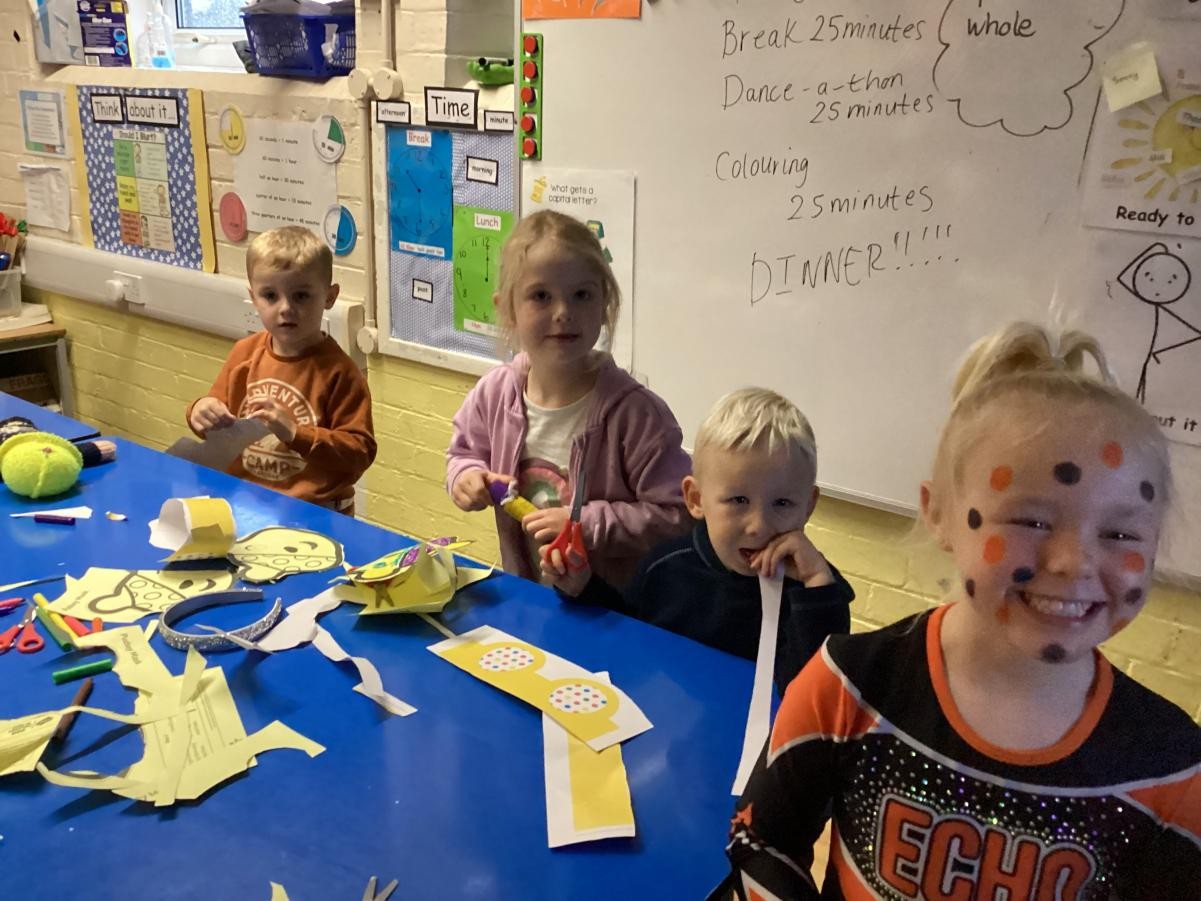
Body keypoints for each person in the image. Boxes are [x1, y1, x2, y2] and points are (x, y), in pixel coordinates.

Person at [725, 323, 1201, 899]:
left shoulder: (1171, 767)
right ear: (939, 514)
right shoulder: (849, 687)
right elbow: (762, 842)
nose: (1073, 562)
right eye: (1031, 520)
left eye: (1121, 533)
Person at [543, 387, 852, 693]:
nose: (759, 527)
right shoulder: (666, 566)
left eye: (782, 503)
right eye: (738, 500)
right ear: (695, 499)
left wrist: (817, 584)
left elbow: (821, 695)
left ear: (808, 506)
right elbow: (628, 629)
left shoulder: (819, 593)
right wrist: (583, 587)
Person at [447, 210, 690, 587]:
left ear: (604, 304)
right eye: (541, 296)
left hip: (612, 610)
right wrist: (466, 477)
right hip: (530, 596)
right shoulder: (494, 394)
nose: (563, 312)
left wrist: (585, 524)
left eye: (582, 295)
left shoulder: (637, 415)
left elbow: (679, 514)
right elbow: (463, 453)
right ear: (508, 309)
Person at [187, 226, 375, 515]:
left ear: (329, 297)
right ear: (253, 297)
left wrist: (295, 433)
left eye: (301, 296)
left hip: (317, 512)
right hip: (245, 503)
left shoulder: (340, 373)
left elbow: (360, 452)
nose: (285, 308)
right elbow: (216, 424)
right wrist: (199, 410)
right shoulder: (244, 354)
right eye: (270, 296)